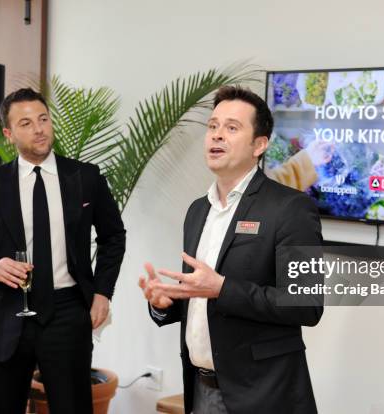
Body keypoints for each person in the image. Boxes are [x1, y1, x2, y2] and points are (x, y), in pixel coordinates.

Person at [139, 86, 323, 413]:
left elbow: (306, 305)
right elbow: (200, 296)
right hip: (199, 387)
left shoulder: (291, 208)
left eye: (232, 128)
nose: (217, 136)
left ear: (260, 145)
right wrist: (166, 304)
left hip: (263, 394)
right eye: (213, 126)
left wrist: (223, 288)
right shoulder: (198, 211)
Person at [0, 88, 126, 414]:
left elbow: (113, 236)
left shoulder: (84, 177)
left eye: (43, 119)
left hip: (67, 313)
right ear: (8, 133)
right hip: (5, 311)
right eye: (27, 123)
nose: (39, 129)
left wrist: (103, 292)